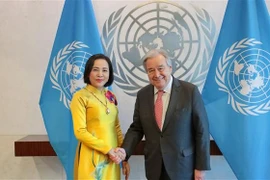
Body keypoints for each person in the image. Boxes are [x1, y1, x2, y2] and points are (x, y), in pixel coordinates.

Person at [119, 49, 211, 180]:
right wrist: (124, 151)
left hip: (184, 168)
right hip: (154, 167)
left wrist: (201, 167)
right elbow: (137, 128)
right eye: (151, 70)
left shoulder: (189, 91)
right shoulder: (142, 95)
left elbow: (202, 130)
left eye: (160, 68)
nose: (157, 74)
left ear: (170, 68)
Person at [70, 54, 130, 180]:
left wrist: (124, 158)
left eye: (104, 70)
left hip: (113, 157)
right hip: (92, 156)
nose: (100, 74)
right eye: (95, 69)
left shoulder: (110, 96)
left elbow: (116, 128)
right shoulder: (80, 97)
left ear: (110, 74)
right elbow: (80, 132)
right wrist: (107, 149)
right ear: (88, 72)